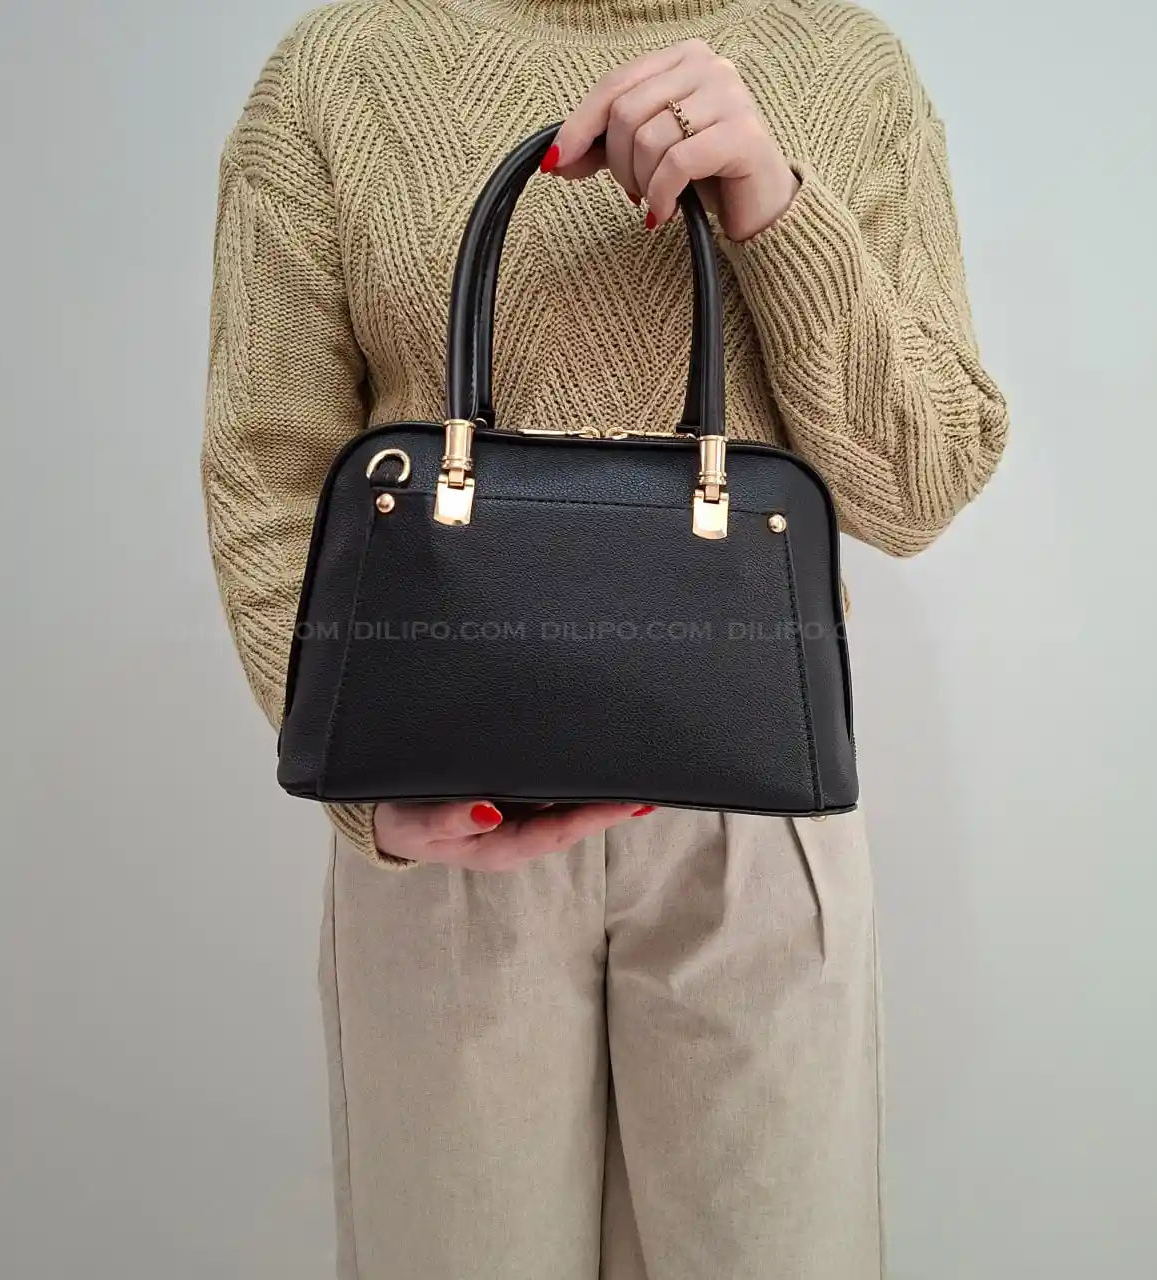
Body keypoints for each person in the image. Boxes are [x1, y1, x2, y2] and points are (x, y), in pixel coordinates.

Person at [200, 1, 1009, 1275]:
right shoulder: (337, 68)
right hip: (443, 817)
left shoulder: (843, 61)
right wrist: (362, 784)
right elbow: (268, 468)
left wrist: (774, 210)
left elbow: (917, 487)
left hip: (753, 818)